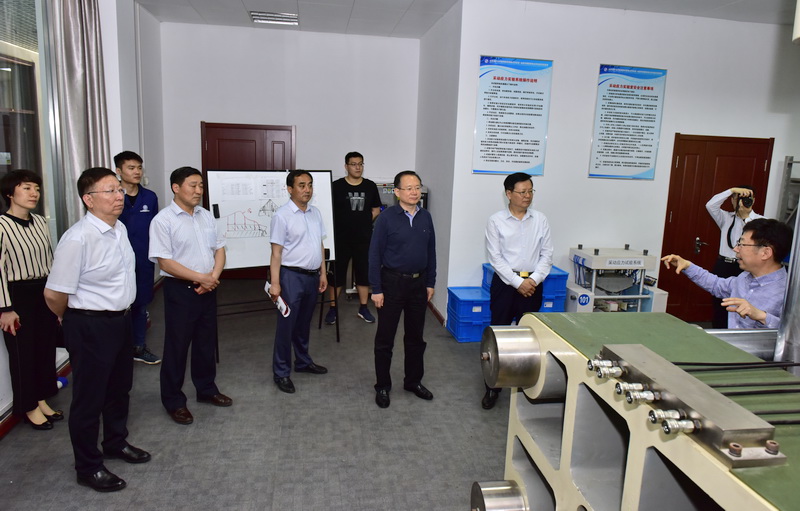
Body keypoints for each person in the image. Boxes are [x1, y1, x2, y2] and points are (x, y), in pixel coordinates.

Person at [44, 168, 151, 492]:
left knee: (119, 389)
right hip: (90, 324)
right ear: (88, 200)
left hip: (121, 321)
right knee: (89, 399)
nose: (119, 196)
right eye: (110, 191)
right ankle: (88, 467)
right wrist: (73, 320)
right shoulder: (77, 238)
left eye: (119, 189)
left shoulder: (119, 229)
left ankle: (115, 443)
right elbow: (54, 293)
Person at [149, 167, 231, 425]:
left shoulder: (205, 215)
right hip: (181, 291)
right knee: (177, 346)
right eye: (193, 185)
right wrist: (202, 278)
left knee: (206, 342)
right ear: (176, 188)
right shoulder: (163, 220)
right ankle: (173, 401)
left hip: (208, 287)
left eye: (201, 186)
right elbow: (165, 262)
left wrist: (212, 277)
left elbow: (220, 249)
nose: (198, 191)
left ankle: (206, 389)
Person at [482, 172, 553, 410]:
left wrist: (533, 280)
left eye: (531, 191)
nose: (528, 196)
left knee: (529, 338)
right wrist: (517, 282)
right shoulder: (496, 221)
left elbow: (547, 255)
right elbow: (495, 258)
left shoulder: (540, 219)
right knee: (499, 336)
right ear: (508, 194)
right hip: (505, 284)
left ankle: (525, 386)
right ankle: (492, 387)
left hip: (533, 284)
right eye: (522, 192)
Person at [0, 170, 62, 430]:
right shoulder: (1, 225)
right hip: (17, 296)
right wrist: (5, 309)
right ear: (9, 193)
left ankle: (41, 398)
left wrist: (57, 299)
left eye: (36, 188)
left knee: (45, 349)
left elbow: (50, 260)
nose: (34, 193)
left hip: (43, 291)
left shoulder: (39, 222)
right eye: (26, 188)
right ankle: (27, 406)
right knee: (23, 354)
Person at [369, 170, 436, 409]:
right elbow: (374, 255)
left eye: (417, 187)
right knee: (385, 338)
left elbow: (431, 252)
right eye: (409, 188)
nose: (414, 192)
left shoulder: (425, 217)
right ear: (397, 192)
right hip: (392, 284)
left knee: (416, 338)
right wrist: (376, 289)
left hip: (418, 285)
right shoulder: (386, 219)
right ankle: (382, 386)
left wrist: (430, 282)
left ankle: (413, 382)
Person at [661, 218, 792, 329]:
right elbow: (716, 284)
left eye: (741, 244)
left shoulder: (789, 293)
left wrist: (761, 316)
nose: (735, 249)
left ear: (765, 253)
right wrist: (687, 266)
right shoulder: (744, 277)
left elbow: (792, 335)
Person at [268, 170, 329, 394]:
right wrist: (275, 284)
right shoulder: (282, 216)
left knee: (304, 323)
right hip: (290, 277)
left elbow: (319, 245)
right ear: (290, 189)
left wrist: (323, 273)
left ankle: (303, 362)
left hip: (312, 276)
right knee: (287, 326)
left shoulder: (315, 213)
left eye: (310, 185)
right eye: (302, 185)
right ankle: (281, 372)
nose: (307, 189)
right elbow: (276, 253)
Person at [324, 151, 382, 325]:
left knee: (363, 274)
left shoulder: (370, 186)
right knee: (337, 275)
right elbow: (328, 211)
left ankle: (363, 308)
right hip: (341, 239)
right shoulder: (336, 186)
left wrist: (363, 222)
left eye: (360, 164)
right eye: (354, 164)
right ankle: (332, 309)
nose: (358, 167)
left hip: (364, 239)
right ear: (346, 166)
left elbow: (376, 210)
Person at [115, 151, 160, 364]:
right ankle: (119, 349)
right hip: (116, 261)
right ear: (119, 171)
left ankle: (139, 346)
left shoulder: (149, 197)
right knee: (119, 306)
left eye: (139, 168)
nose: (137, 172)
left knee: (141, 304)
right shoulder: (112, 196)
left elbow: (156, 229)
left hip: (143, 259)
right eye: (131, 168)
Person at [706, 186, 763, 328]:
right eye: (739, 198)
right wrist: (731, 190)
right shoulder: (726, 218)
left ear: (753, 200)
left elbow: (757, 240)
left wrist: (746, 218)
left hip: (744, 269)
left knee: (741, 305)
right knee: (719, 305)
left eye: (747, 198)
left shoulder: (761, 221)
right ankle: (718, 332)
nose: (743, 201)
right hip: (723, 266)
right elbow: (710, 205)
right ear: (732, 200)